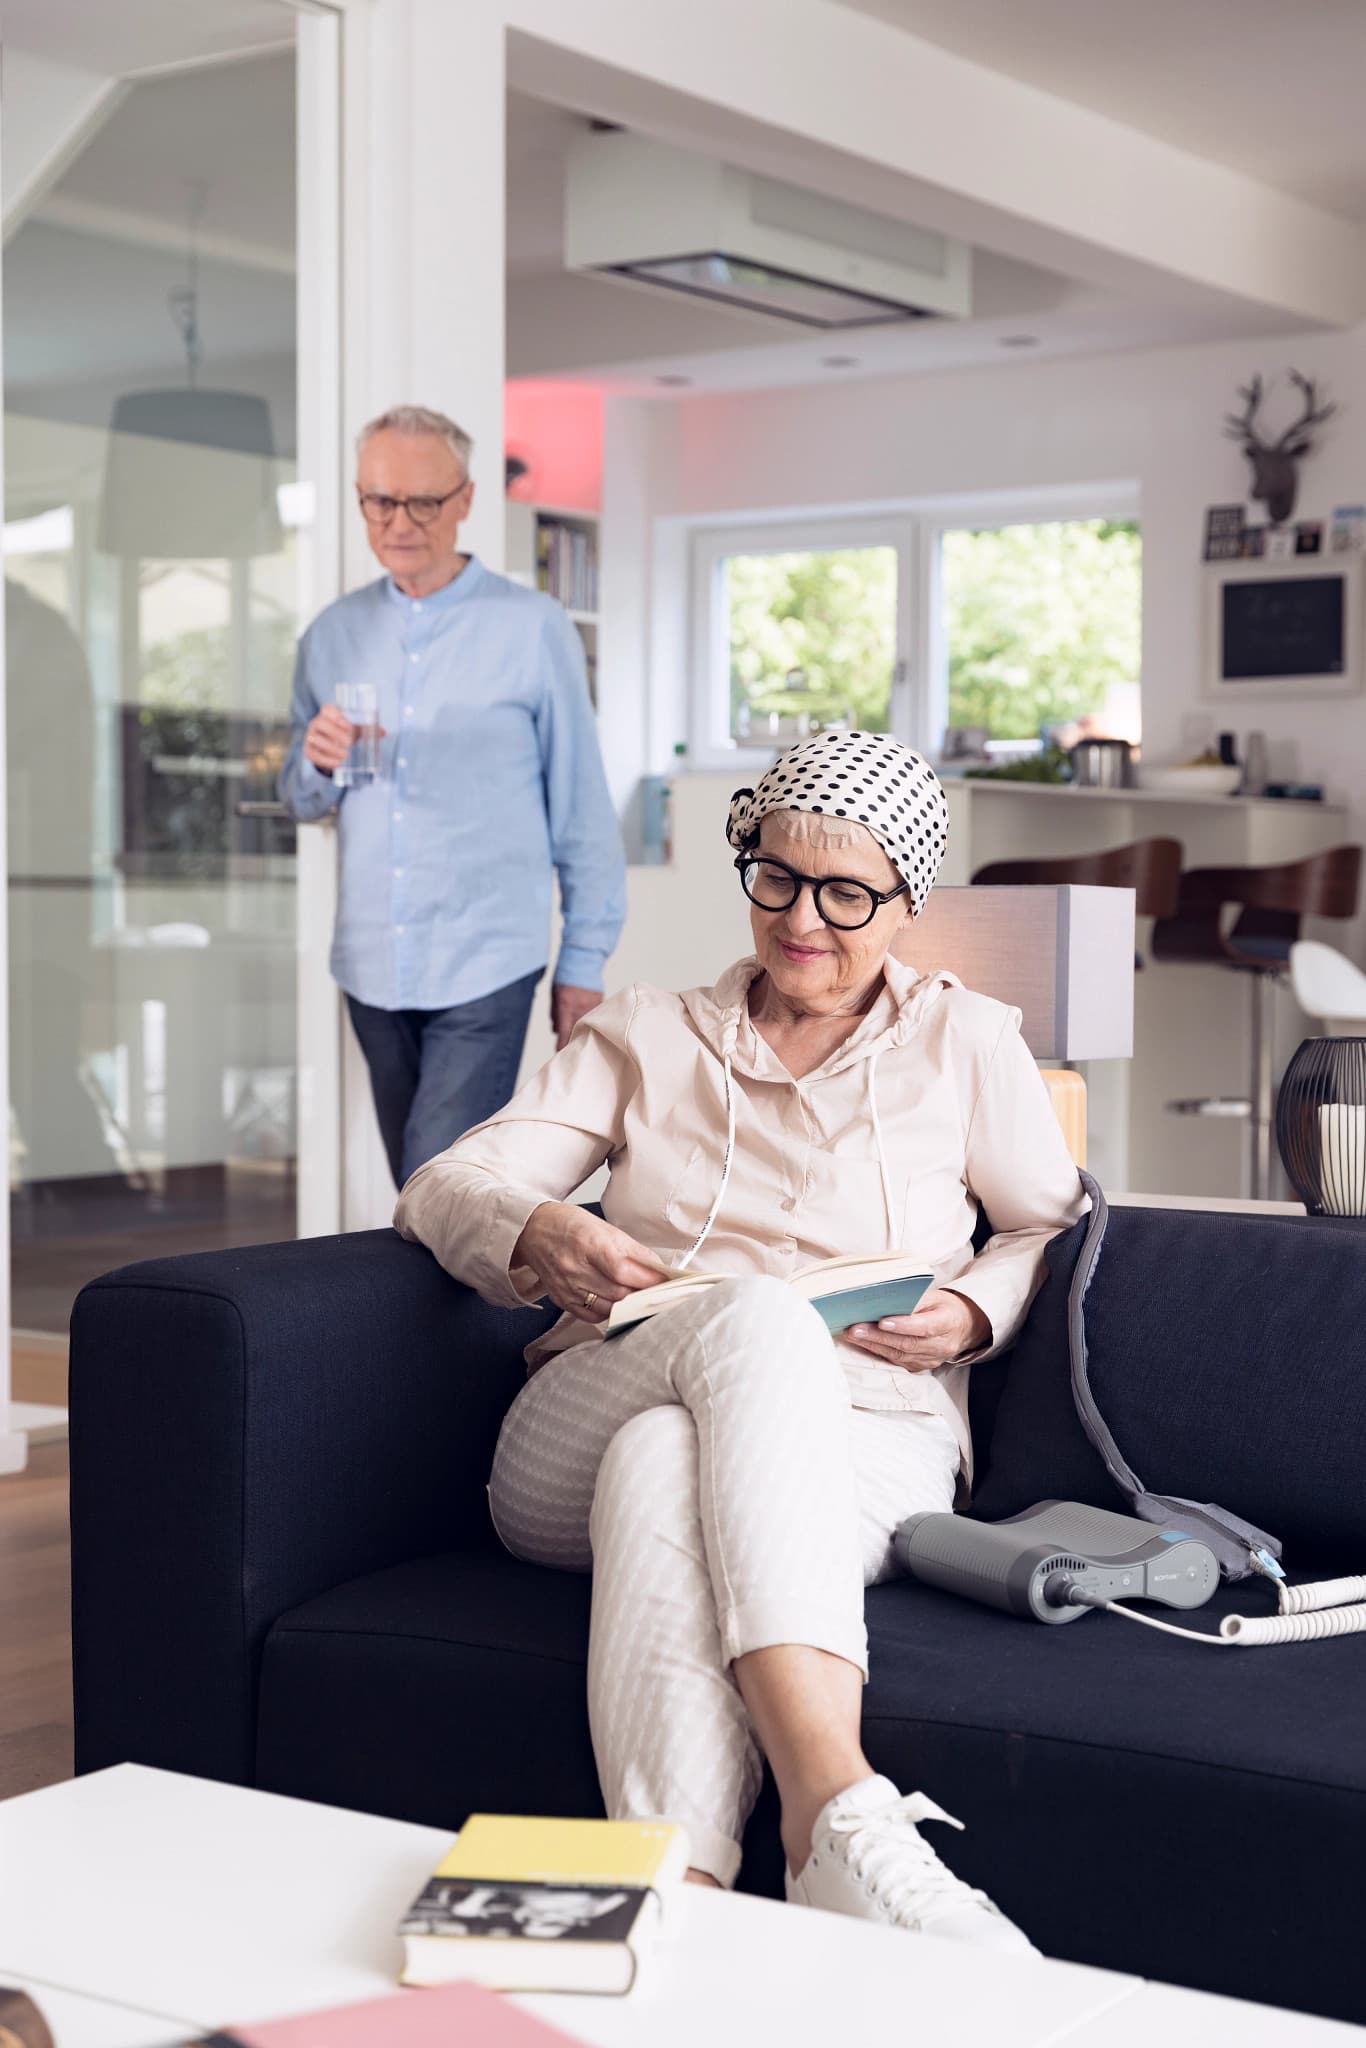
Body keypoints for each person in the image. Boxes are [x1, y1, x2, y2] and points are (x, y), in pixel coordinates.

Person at [396, 729, 1085, 1951]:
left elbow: (1053, 1224)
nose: (802, 919)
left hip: (864, 1441)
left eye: (845, 891)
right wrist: (535, 1227)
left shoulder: (965, 1041)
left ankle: (681, 1910)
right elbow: (448, 1181)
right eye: (776, 875)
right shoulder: (646, 1031)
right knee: (755, 1312)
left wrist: (976, 1307)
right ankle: (838, 1809)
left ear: (906, 901)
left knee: (666, 1459)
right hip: (582, 1412)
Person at [279, 404, 625, 1188]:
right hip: (370, 960)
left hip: (485, 959)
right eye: (378, 501)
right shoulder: (330, 635)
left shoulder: (533, 629)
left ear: (467, 500)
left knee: (439, 1183)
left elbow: (582, 808)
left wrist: (583, 961)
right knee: (423, 1194)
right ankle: (443, 1313)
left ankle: (414, 1314)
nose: (399, 523)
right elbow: (302, 799)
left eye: (423, 503)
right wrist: (315, 763)